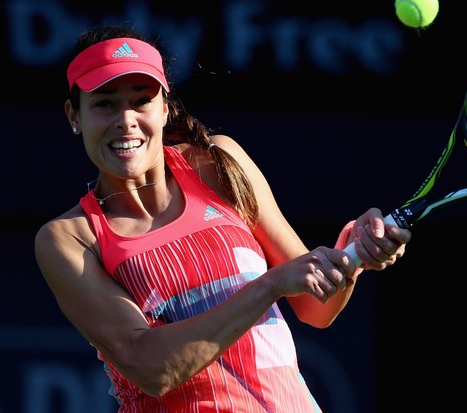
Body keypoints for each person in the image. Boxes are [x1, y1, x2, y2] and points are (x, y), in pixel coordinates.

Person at [34, 24, 412, 412]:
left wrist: (353, 255)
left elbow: (317, 309)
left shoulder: (220, 163)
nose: (126, 119)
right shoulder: (69, 239)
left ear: (165, 108)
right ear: (74, 115)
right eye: (105, 103)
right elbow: (151, 368)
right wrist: (270, 286)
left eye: (141, 101)